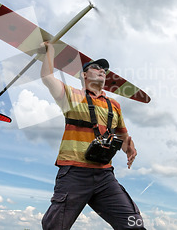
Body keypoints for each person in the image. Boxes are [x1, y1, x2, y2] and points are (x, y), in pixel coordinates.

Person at [40, 41, 145, 230]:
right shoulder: (71, 96)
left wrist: (130, 147)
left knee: (134, 224)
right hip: (74, 173)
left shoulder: (114, 105)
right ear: (84, 75)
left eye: (104, 69)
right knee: (54, 227)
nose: (102, 70)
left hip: (105, 175)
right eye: (96, 67)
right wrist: (50, 51)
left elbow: (123, 137)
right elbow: (47, 76)